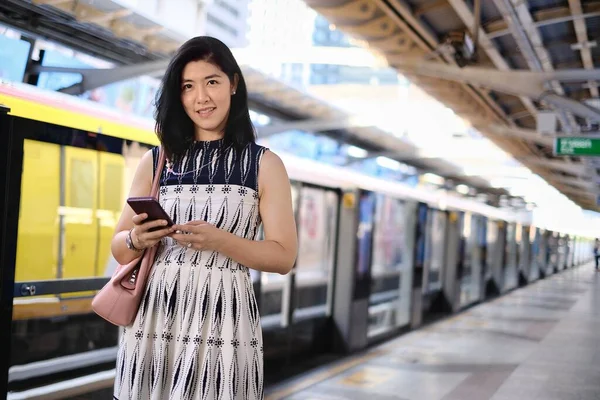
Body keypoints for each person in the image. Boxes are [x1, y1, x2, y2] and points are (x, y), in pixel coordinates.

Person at [110, 36, 298, 400]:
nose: (201, 98)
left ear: (233, 84)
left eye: (211, 82)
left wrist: (220, 241)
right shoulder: (156, 161)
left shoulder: (264, 165)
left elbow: (283, 257)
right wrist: (138, 239)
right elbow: (120, 248)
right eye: (188, 87)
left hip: (223, 318)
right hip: (155, 317)